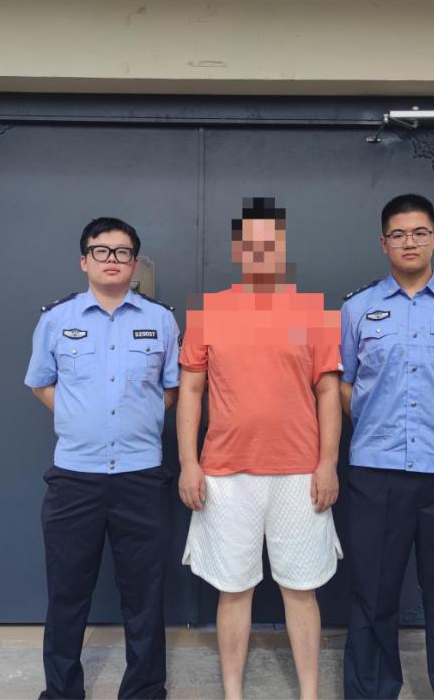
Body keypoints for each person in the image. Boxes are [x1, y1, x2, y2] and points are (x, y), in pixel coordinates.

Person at [176, 197, 342, 700]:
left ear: (282, 248)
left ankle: (309, 692)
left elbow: (328, 391)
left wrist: (328, 463)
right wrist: (188, 463)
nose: (260, 252)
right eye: (251, 244)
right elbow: (191, 391)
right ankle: (233, 692)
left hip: (299, 473)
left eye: (270, 244)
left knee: (302, 589)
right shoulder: (208, 312)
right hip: (226, 473)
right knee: (233, 589)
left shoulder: (313, 313)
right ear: (238, 250)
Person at [341, 194, 434, 700]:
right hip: (376, 471)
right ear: (384, 243)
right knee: (373, 593)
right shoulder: (358, 309)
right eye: (399, 234)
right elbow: (346, 385)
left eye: (419, 232)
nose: (410, 242)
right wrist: (376, 430)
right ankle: (371, 691)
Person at [24, 216, 180, 700]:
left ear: (134, 262)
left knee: (144, 595)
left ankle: (144, 691)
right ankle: (61, 691)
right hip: (75, 478)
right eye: (101, 251)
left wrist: (137, 419)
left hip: (141, 477)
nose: (112, 260)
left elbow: (170, 390)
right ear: (84, 260)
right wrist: (78, 417)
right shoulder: (56, 320)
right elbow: (41, 384)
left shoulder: (160, 321)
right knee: (67, 594)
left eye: (122, 252)